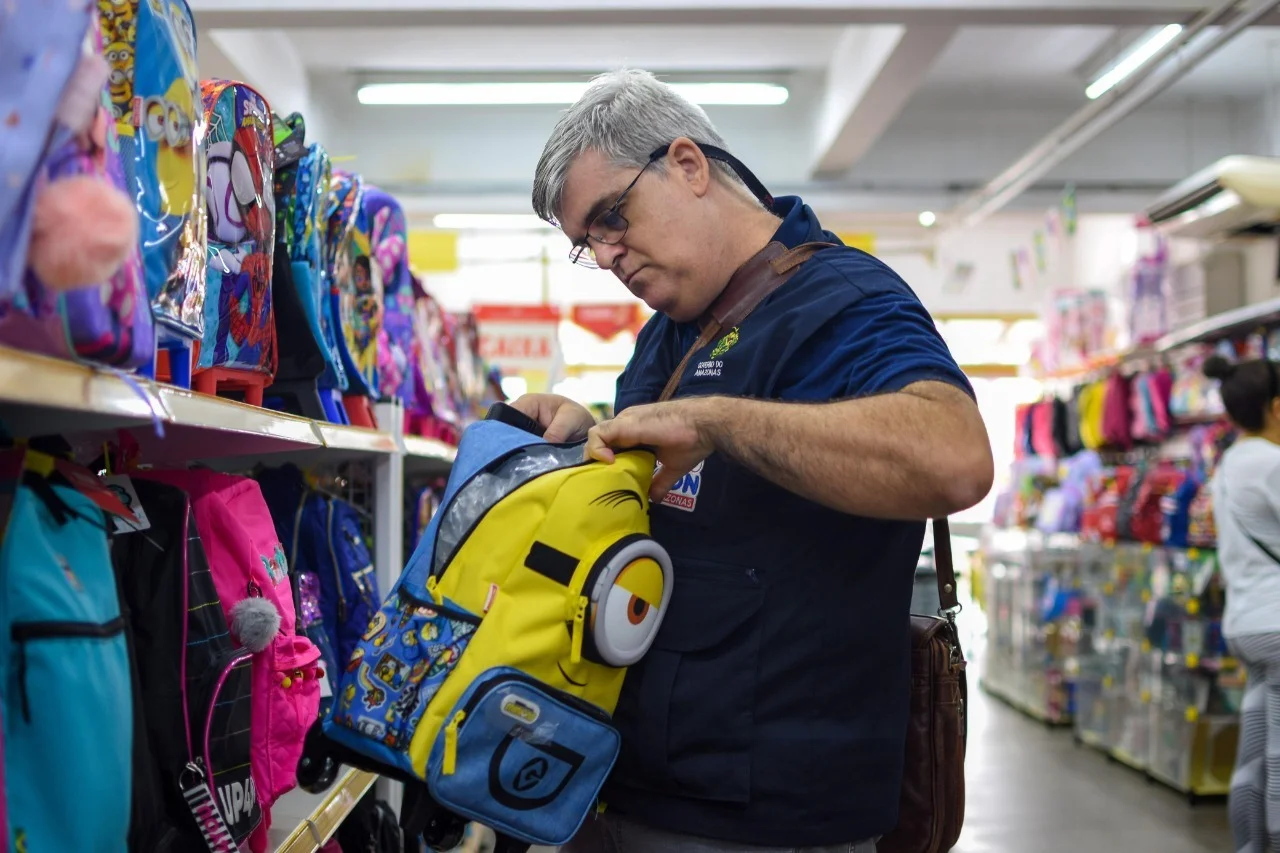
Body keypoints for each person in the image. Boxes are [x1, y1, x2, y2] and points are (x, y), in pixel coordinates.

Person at [517, 69, 993, 853]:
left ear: (689, 165)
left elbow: (956, 457)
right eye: (586, 244)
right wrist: (586, 436)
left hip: (770, 816)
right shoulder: (667, 332)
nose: (606, 256)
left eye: (611, 218)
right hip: (622, 783)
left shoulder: (846, 300)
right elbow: (683, 492)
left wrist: (718, 421)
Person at [1205, 354, 1280, 853]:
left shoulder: (1230, 463)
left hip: (1247, 626)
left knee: (1254, 756)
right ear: (1275, 408)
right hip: (1277, 624)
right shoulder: (1271, 463)